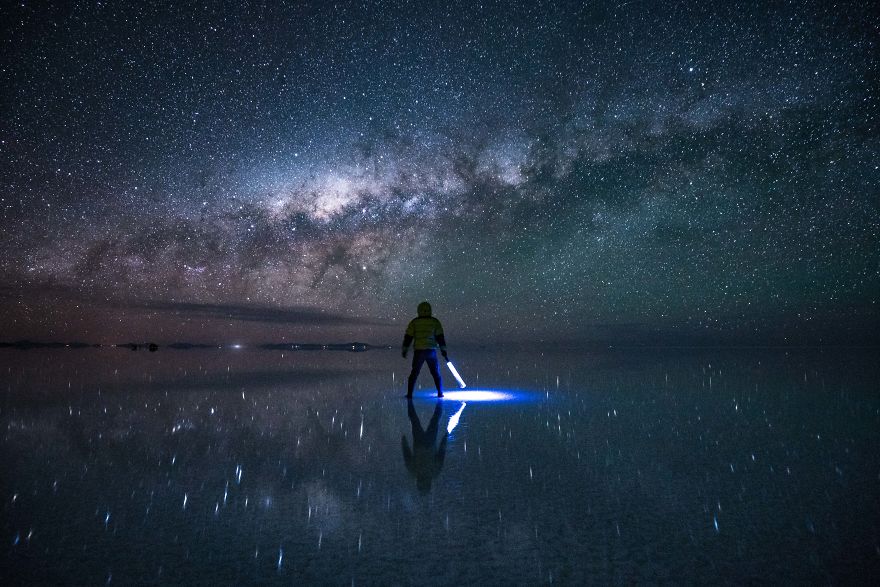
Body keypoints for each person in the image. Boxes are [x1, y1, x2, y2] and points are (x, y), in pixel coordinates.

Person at [401, 301, 448, 398]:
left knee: (414, 373)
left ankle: (410, 394)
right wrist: (443, 350)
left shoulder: (414, 322)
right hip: (431, 351)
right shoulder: (435, 322)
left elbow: (408, 337)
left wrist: (405, 349)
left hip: (419, 351)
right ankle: (440, 393)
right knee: (435, 373)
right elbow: (440, 337)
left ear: (419, 311)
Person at [401, 398, 448, 494]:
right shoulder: (414, 471)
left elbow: (441, 453)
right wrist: (404, 441)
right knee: (415, 421)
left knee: (434, 420)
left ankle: (439, 404)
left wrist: (445, 439)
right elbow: (407, 454)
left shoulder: (434, 472)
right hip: (421, 444)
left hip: (428, 444)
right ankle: (411, 404)